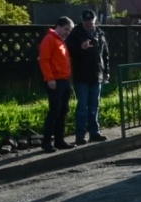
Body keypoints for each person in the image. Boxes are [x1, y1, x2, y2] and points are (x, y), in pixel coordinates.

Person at [66, 10, 110, 145]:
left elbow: (105, 54)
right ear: (82, 20)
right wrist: (81, 48)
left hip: (97, 75)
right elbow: (68, 52)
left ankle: (94, 132)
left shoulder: (100, 33)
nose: (88, 24)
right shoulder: (74, 33)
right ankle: (80, 135)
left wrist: (106, 71)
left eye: (91, 22)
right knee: (82, 106)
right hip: (81, 76)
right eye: (86, 22)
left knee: (94, 105)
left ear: (95, 20)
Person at [38, 16, 75, 153]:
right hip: (55, 81)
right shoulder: (49, 40)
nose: (68, 32)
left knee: (62, 111)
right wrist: (50, 79)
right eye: (66, 29)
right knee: (54, 112)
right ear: (58, 26)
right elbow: (44, 60)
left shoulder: (60, 41)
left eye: (69, 30)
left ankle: (59, 140)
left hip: (63, 80)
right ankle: (47, 142)